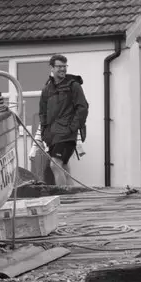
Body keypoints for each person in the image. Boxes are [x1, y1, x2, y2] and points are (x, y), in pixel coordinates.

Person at [38, 54, 89, 188]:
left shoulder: (74, 86)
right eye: (59, 66)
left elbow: (83, 107)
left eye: (64, 66)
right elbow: (42, 112)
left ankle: (62, 197)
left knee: (55, 164)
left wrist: (72, 128)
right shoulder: (47, 89)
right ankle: (71, 197)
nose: (62, 69)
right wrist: (44, 132)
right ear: (52, 68)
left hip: (66, 134)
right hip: (52, 136)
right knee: (64, 166)